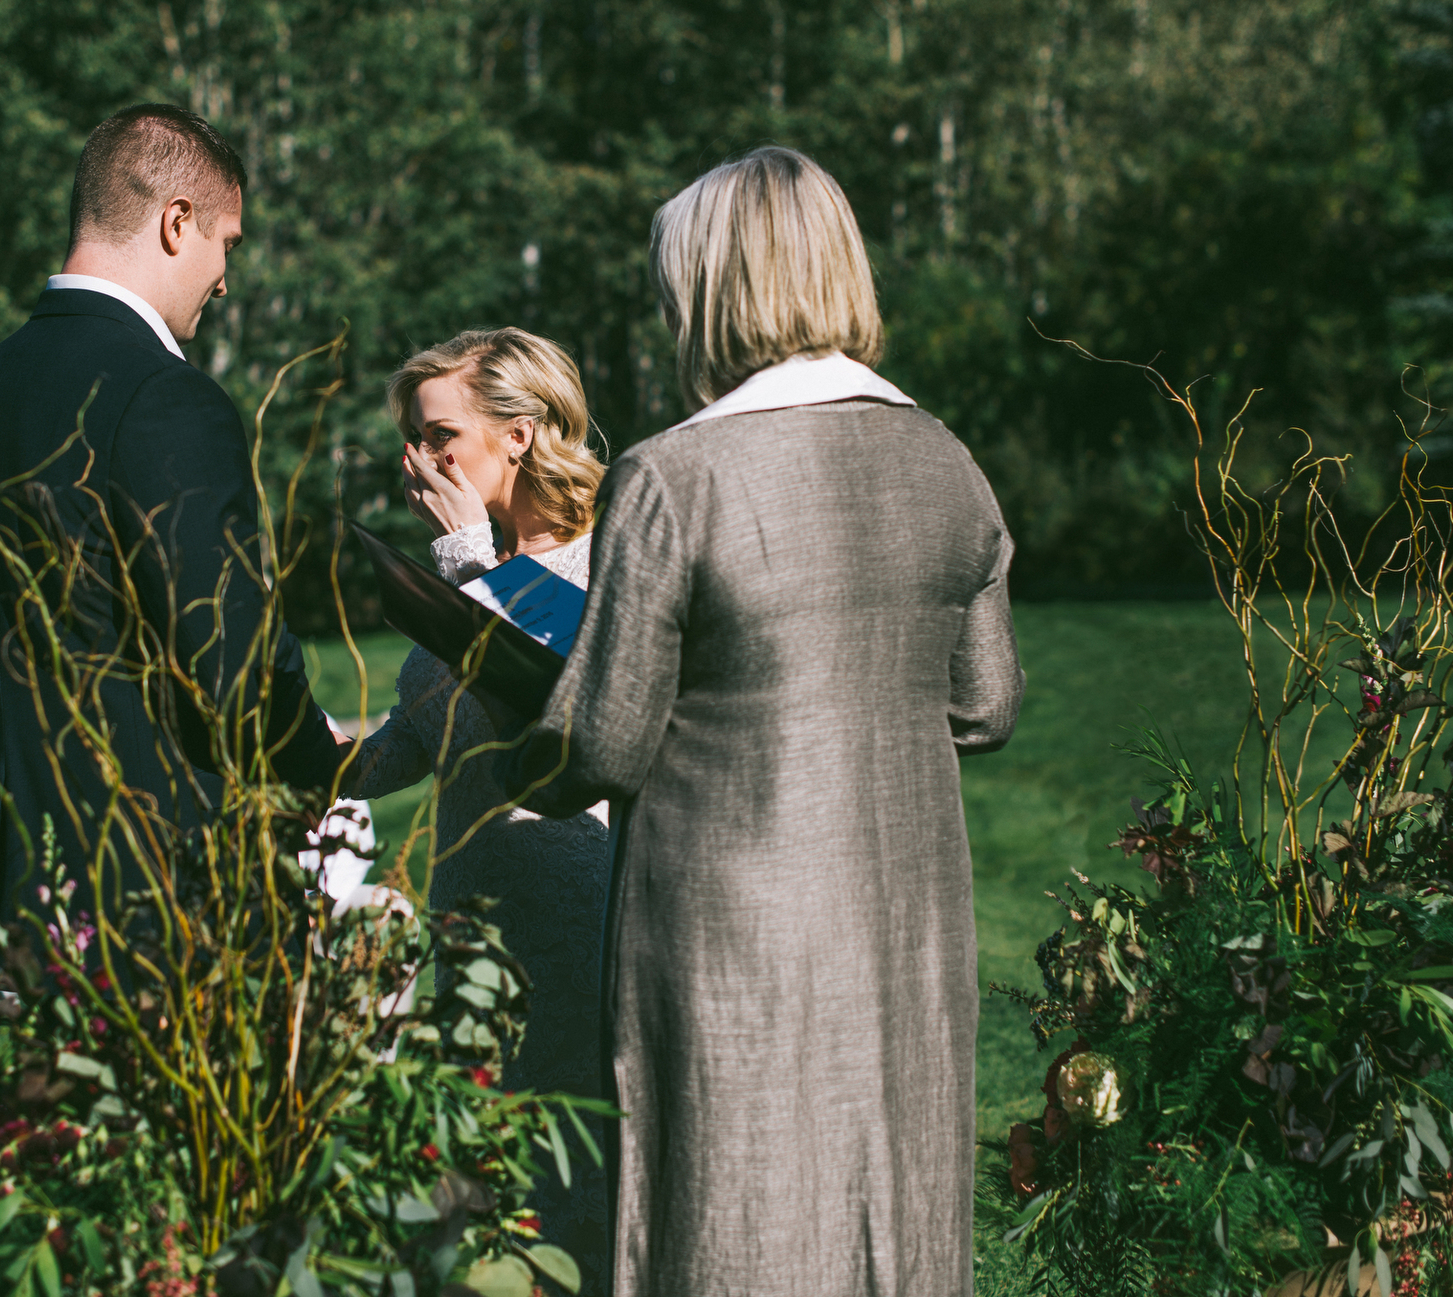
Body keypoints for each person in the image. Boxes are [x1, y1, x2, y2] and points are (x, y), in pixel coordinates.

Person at [500, 148, 1026, 1297]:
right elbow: (986, 704)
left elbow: (607, 741)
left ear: (708, 291)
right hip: (906, 918)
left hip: (728, 924)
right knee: (890, 1202)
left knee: (729, 1208)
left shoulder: (677, 477)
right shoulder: (947, 463)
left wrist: (510, 738)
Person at [0, 104, 343, 928]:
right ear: (175, 222)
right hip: (165, 903)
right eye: (227, 242)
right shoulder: (163, 397)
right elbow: (228, 656)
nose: (226, 278)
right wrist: (320, 765)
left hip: (28, 900)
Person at [343, 328, 613, 1294]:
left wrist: (465, 561)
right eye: (413, 440)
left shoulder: (609, 564)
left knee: (565, 1192)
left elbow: (558, 689)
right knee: (467, 1195)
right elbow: (411, 742)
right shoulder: (467, 566)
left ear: (524, 436)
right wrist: (309, 751)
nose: (419, 461)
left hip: (571, 926)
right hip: (465, 931)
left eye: (440, 435)